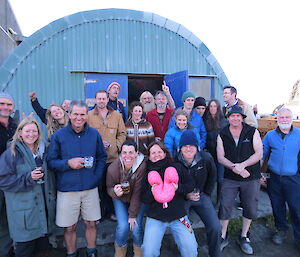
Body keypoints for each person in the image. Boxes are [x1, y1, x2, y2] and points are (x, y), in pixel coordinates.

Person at [47, 100, 107, 257]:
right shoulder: (59, 136)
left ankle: (91, 252)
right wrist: (68, 163)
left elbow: (102, 157)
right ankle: (71, 253)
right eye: (75, 114)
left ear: (86, 115)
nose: (78, 118)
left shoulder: (94, 134)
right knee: (70, 227)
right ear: (69, 114)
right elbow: (51, 162)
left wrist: (96, 177)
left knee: (91, 223)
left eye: (82, 114)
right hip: (67, 189)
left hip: (90, 187)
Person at [0, 116, 56, 257]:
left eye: (34, 131)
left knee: (43, 250)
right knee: (25, 250)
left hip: (42, 211)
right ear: (19, 133)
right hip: (24, 213)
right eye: (27, 131)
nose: (31, 134)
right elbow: (3, 181)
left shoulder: (42, 152)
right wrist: (28, 177)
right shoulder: (11, 154)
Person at [216, 105, 262, 255]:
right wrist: (234, 167)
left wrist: (242, 165)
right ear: (228, 118)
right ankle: (223, 235)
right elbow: (220, 157)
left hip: (250, 176)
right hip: (230, 177)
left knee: (250, 205)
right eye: (232, 116)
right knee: (225, 205)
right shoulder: (222, 133)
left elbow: (259, 153)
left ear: (242, 118)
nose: (235, 118)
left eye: (238, 116)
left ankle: (244, 236)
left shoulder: (252, 131)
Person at [141, 141, 198, 257]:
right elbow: (143, 198)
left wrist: (178, 188)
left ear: (165, 153)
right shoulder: (147, 173)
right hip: (156, 217)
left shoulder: (176, 167)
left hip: (178, 216)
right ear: (149, 157)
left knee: (191, 249)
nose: (157, 155)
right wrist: (152, 192)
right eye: (153, 153)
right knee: (148, 251)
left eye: (159, 152)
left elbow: (191, 184)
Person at [175, 130, 221, 257]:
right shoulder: (175, 161)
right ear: (180, 148)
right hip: (182, 198)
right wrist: (185, 195)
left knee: (215, 226)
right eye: (185, 146)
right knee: (182, 227)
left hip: (201, 195)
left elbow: (213, 176)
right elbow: (173, 186)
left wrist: (206, 193)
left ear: (197, 147)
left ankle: (215, 254)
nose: (188, 149)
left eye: (192, 146)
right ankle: (186, 251)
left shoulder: (206, 158)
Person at [262, 108, 300, 251]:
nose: (284, 120)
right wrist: (260, 174)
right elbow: (262, 155)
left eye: (287, 117)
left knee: (297, 208)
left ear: (291, 118)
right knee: (277, 206)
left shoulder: (299, 135)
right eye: (281, 117)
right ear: (277, 119)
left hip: (293, 178)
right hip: (274, 178)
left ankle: (299, 237)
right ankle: (281, 230)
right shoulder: (270, 136)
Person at [88, 90, 126, 220]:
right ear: (95, 100)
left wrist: (116, 145)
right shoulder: (89, 116)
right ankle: (98, 214)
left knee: (111, 186)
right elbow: (86, 135)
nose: (101, 101)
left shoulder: (116, 115)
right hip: (96, 159)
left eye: (104, 98)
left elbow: (122, 133)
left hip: (112, 158)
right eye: (99, 99)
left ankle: (111, 212)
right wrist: (96, 144)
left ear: (107, 99)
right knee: (97, 188)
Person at [106, 140, 146, 257]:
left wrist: (132, 215)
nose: (127, 156)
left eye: (131, 152)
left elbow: (138, 193)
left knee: (136, 227)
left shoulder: (142, 166)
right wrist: (114, 191)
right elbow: (108, 188)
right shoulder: (113, 168)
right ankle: (120, 250)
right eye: (124, 153)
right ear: (120, 153)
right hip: (120, 199)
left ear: (136, 153)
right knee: (123, 226)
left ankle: (138, 252)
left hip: (138, 198)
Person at [0, 93, 18, 257]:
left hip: (13, 179)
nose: (6, 107)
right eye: (2, 104)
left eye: (9, 104)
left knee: (8, 215)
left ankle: (7, 250)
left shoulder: (15, 126)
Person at [203, 99, 228, 203]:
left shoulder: (224, 122)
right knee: (208, 177)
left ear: (218, 108)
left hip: (220, 154)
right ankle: (207, 199)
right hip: (209, 153)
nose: (213, 108)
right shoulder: (205, 120)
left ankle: (219, 202)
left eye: (215, 106)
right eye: (211, 106)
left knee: (220, 178)